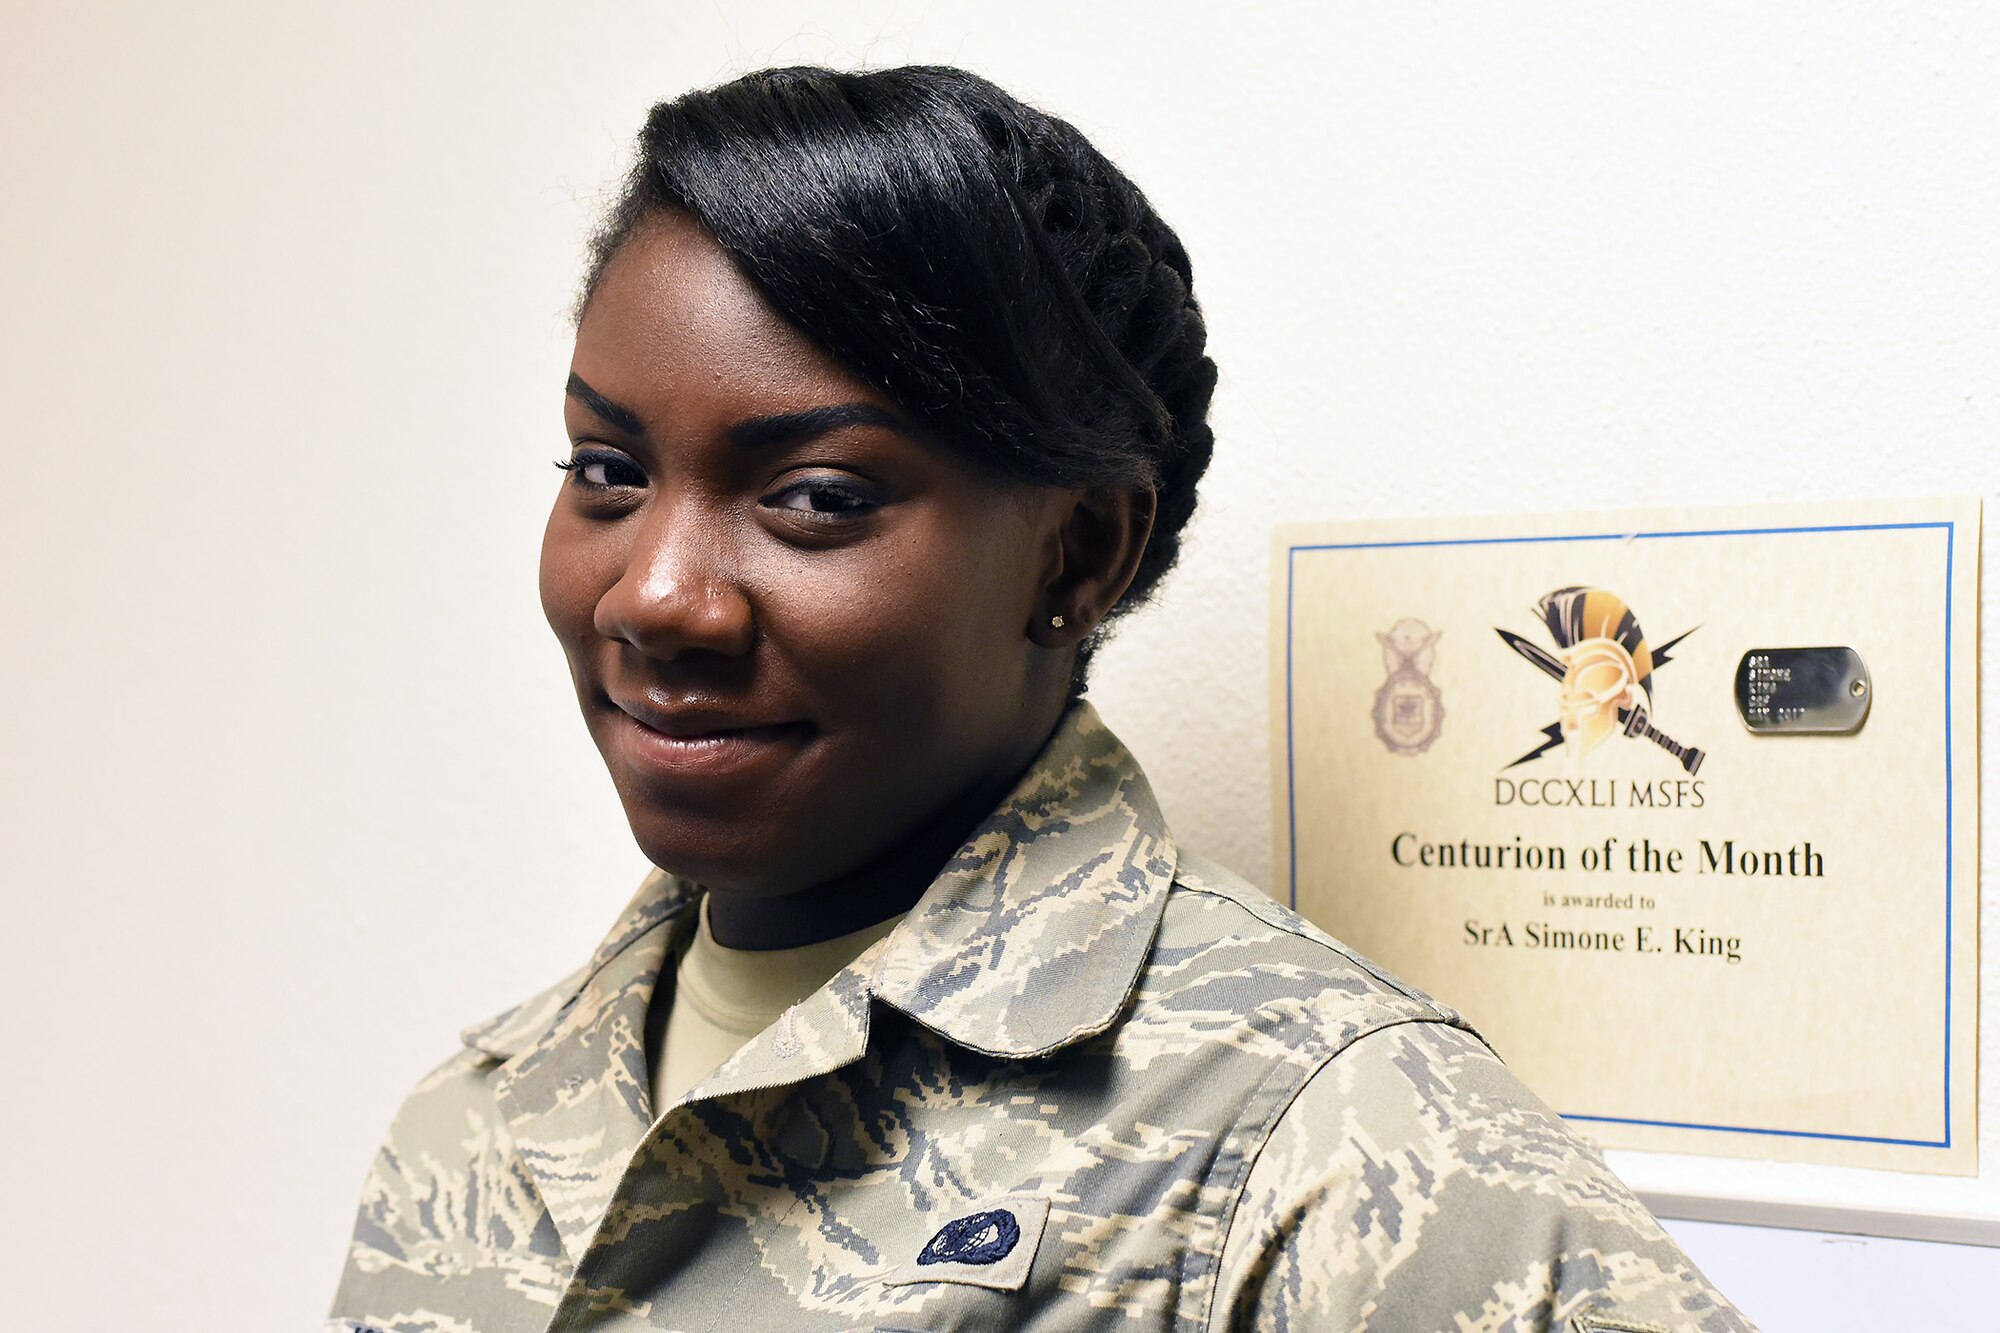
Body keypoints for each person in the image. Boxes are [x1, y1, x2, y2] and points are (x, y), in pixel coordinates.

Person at [328, 65, 1754, 1333]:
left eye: (816, 497)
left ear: (1074, 553)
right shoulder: (480, 1121)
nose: (655, 593)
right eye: (608, 472)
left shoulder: (1327, 1144)